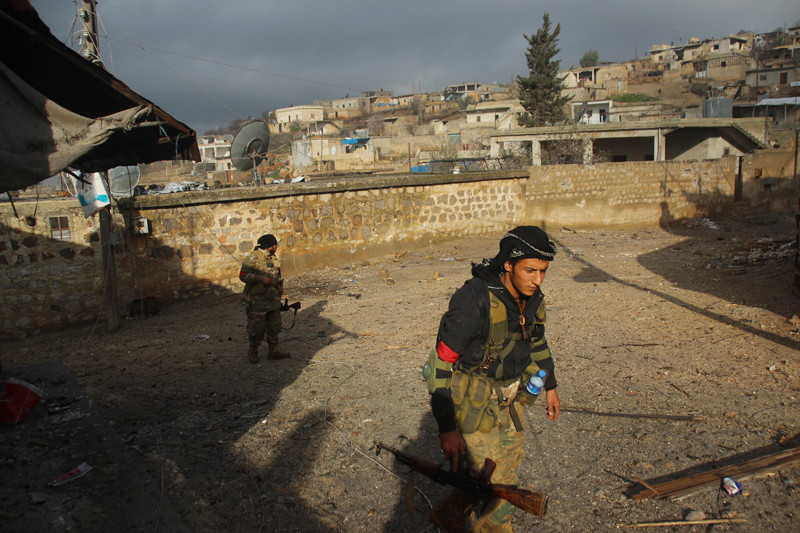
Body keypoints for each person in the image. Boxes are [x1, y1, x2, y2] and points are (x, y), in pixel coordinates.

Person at [425, 226, 561, 533]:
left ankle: (449, 512)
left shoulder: (533, 298)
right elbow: (440, 365)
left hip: (512, 400)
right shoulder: (473, 301)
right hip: (473, 403)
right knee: (500, 489)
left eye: (543, 272)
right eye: (530, 270)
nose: (537, 280)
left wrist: (550, 385)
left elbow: (537, 342)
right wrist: (447, 428)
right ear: (509, 264)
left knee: (508, 465)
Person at [239, 233, 290, 363]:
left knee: (274, 327)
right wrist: (261, 279)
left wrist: (281, 296)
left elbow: (278, 279)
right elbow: (243, 276)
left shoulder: (273, 258)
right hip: (257, 302)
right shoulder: (252, 258)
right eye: (274, 245)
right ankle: (253, 352)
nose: (276, 247)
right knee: (256, 329)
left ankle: (273, 351)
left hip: (272, 300)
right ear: (268, 246)